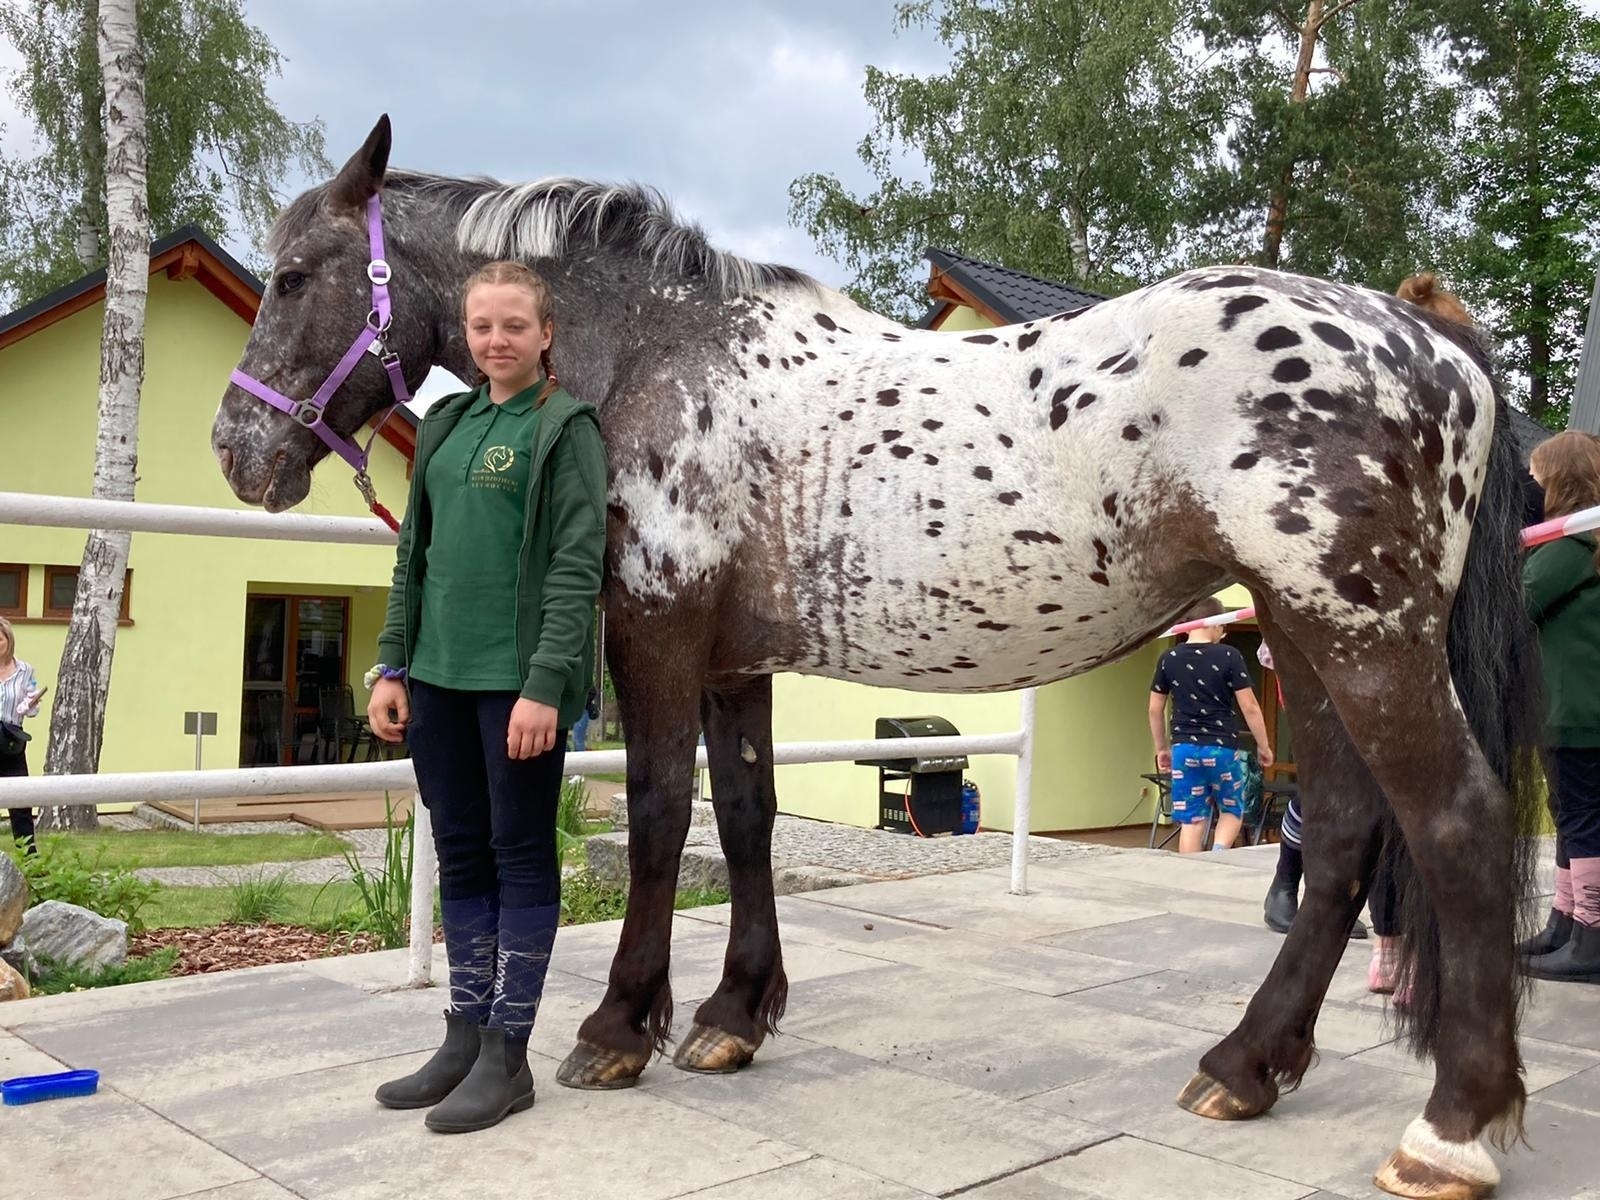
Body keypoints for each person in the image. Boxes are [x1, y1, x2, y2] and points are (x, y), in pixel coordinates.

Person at [366, 260, 608, 1129]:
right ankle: (464, 1036)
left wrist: (548, 686)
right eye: (482, 327)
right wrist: (391, 664)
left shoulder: (566, 428)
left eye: (514, 326)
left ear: (546, 335)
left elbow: (578, 567)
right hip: (435, 677)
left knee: (517, 854)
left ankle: (510, 1056)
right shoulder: (445, 422)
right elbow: (412, 555)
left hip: (516, 688)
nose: (496, 341)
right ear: (464, 336)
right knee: (461, 853)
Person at [1519, 431, 1600, 984]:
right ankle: (1567, 923)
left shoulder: (1569, 548)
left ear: (1559, 481)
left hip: (1576, 709)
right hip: (1572, 707)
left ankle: (1589, 938)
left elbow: (1516, 603)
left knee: (1583, 819)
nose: (1530, 485)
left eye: (1536, 475)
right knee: (1574, 817)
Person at [1258, 640, 1368, 940]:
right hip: (1309, 661)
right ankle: (1286, 882)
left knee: (1359, 791)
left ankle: (1331, 893)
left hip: (1367, 667)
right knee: (1324, 781)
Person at [1148, 598, 1274, 853]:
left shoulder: (1168, 657)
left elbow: (1154, 708)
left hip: (1184, 750)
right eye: (1223, 627)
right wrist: (1264, 745)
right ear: (1216, 625)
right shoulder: (1230, 655)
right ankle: (1217, 855)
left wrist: (1162, 748)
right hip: (1222, 749)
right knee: (1231, 810)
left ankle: (1189, 875)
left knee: (1192, 820)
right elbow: (1249, 705)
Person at [0, 615, 47, 853]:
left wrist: (31, 703)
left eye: (0, 639)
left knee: (20, 802)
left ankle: (29, 860)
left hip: (11, 741)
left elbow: (32, 706)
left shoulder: (25, 670)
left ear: (9, 641)